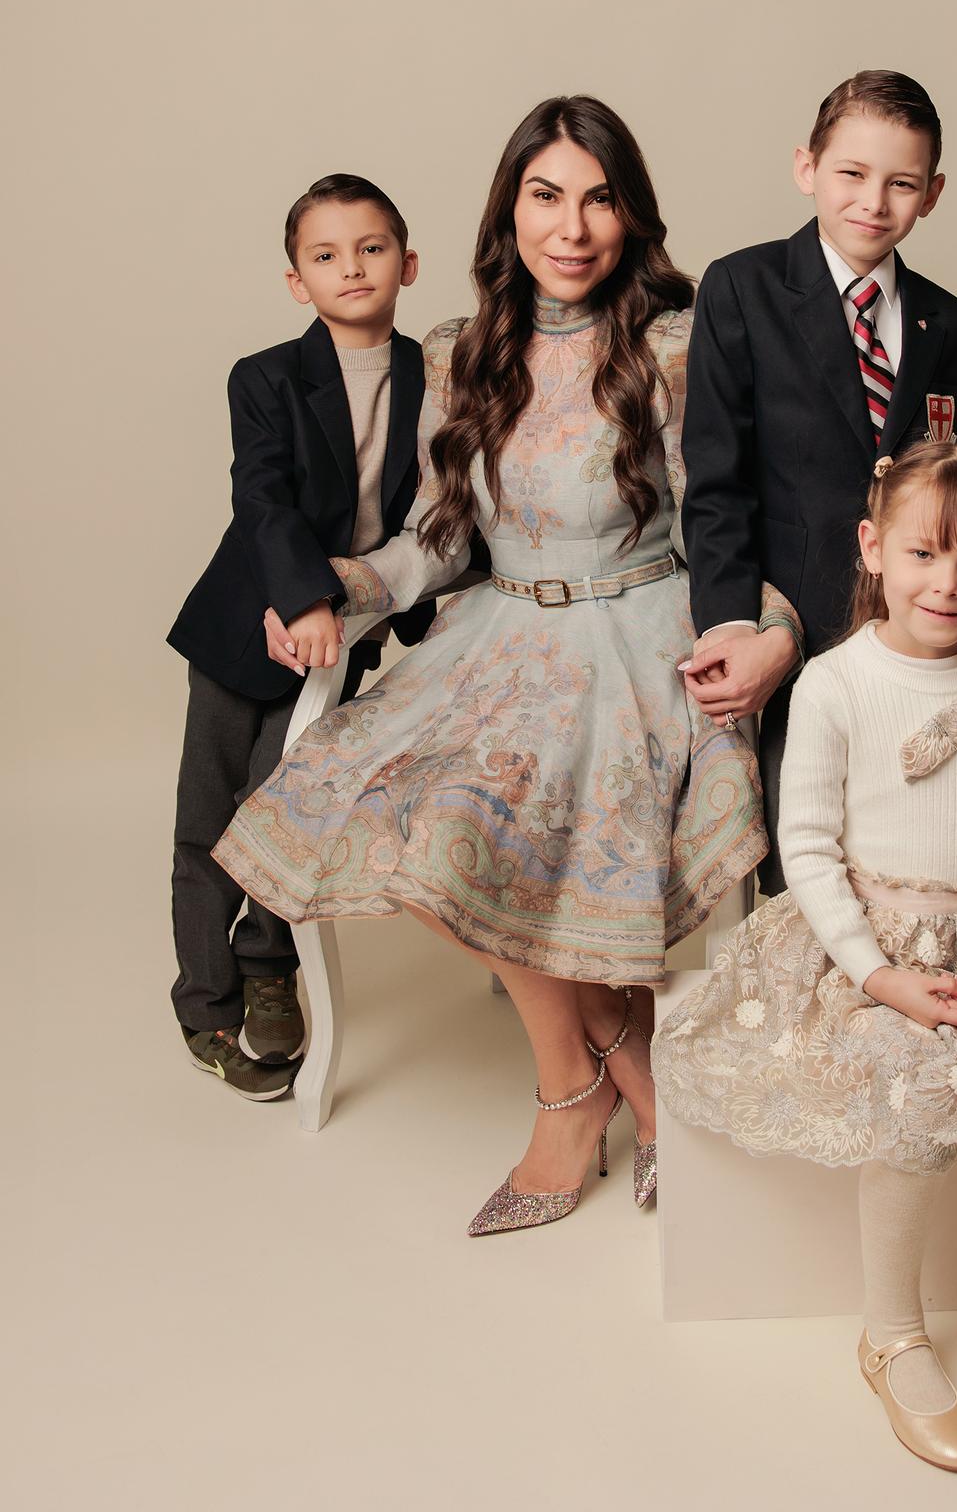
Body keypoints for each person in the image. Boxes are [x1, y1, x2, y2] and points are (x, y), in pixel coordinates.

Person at [212, 96, 801, 1228]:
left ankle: (566, 1102)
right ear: (508, 210)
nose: (570, 227)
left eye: (598, 199)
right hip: (499, 634)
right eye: (545, 196)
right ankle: (615, 1056)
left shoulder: (676, 343)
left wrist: (769, 631)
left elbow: (726, 525)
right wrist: (338, 590)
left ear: (630, 216)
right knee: (412, 829)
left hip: (638, 634)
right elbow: (437, 537)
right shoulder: (457, 349)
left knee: (510, 826)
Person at [654, 442, 957, 1471]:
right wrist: (879, 976)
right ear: (872, 547)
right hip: (873, 950)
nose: (947, 583)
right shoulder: (834, 683)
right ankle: (892, 1334)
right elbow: (807, 847)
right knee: (911, 1096)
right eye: (923, 553)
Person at [678, 70, 957, 892]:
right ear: (805, 167)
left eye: (901, 183)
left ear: (931, 194)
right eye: (851, 173)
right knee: (802, 867)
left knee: (922, 857)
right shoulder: (741, 288)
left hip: (920, 637)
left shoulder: (949, 323)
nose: (872, 202)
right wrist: (731, 627)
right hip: (793, 634)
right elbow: (716, 483)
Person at [167, 174, 436, 1097]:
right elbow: (263, 499)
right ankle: (205, 1006)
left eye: (370, 248)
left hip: (343, 634)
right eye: (325, 255)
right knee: (209, 821)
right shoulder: (265, 376)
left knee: (284, 810)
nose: (350, 268)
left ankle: (267, 963)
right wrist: (304, 597)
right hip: (245, 627)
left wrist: (356, 608)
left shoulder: (435, 378)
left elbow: (439, 509)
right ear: (298, 281)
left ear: (407, 263)